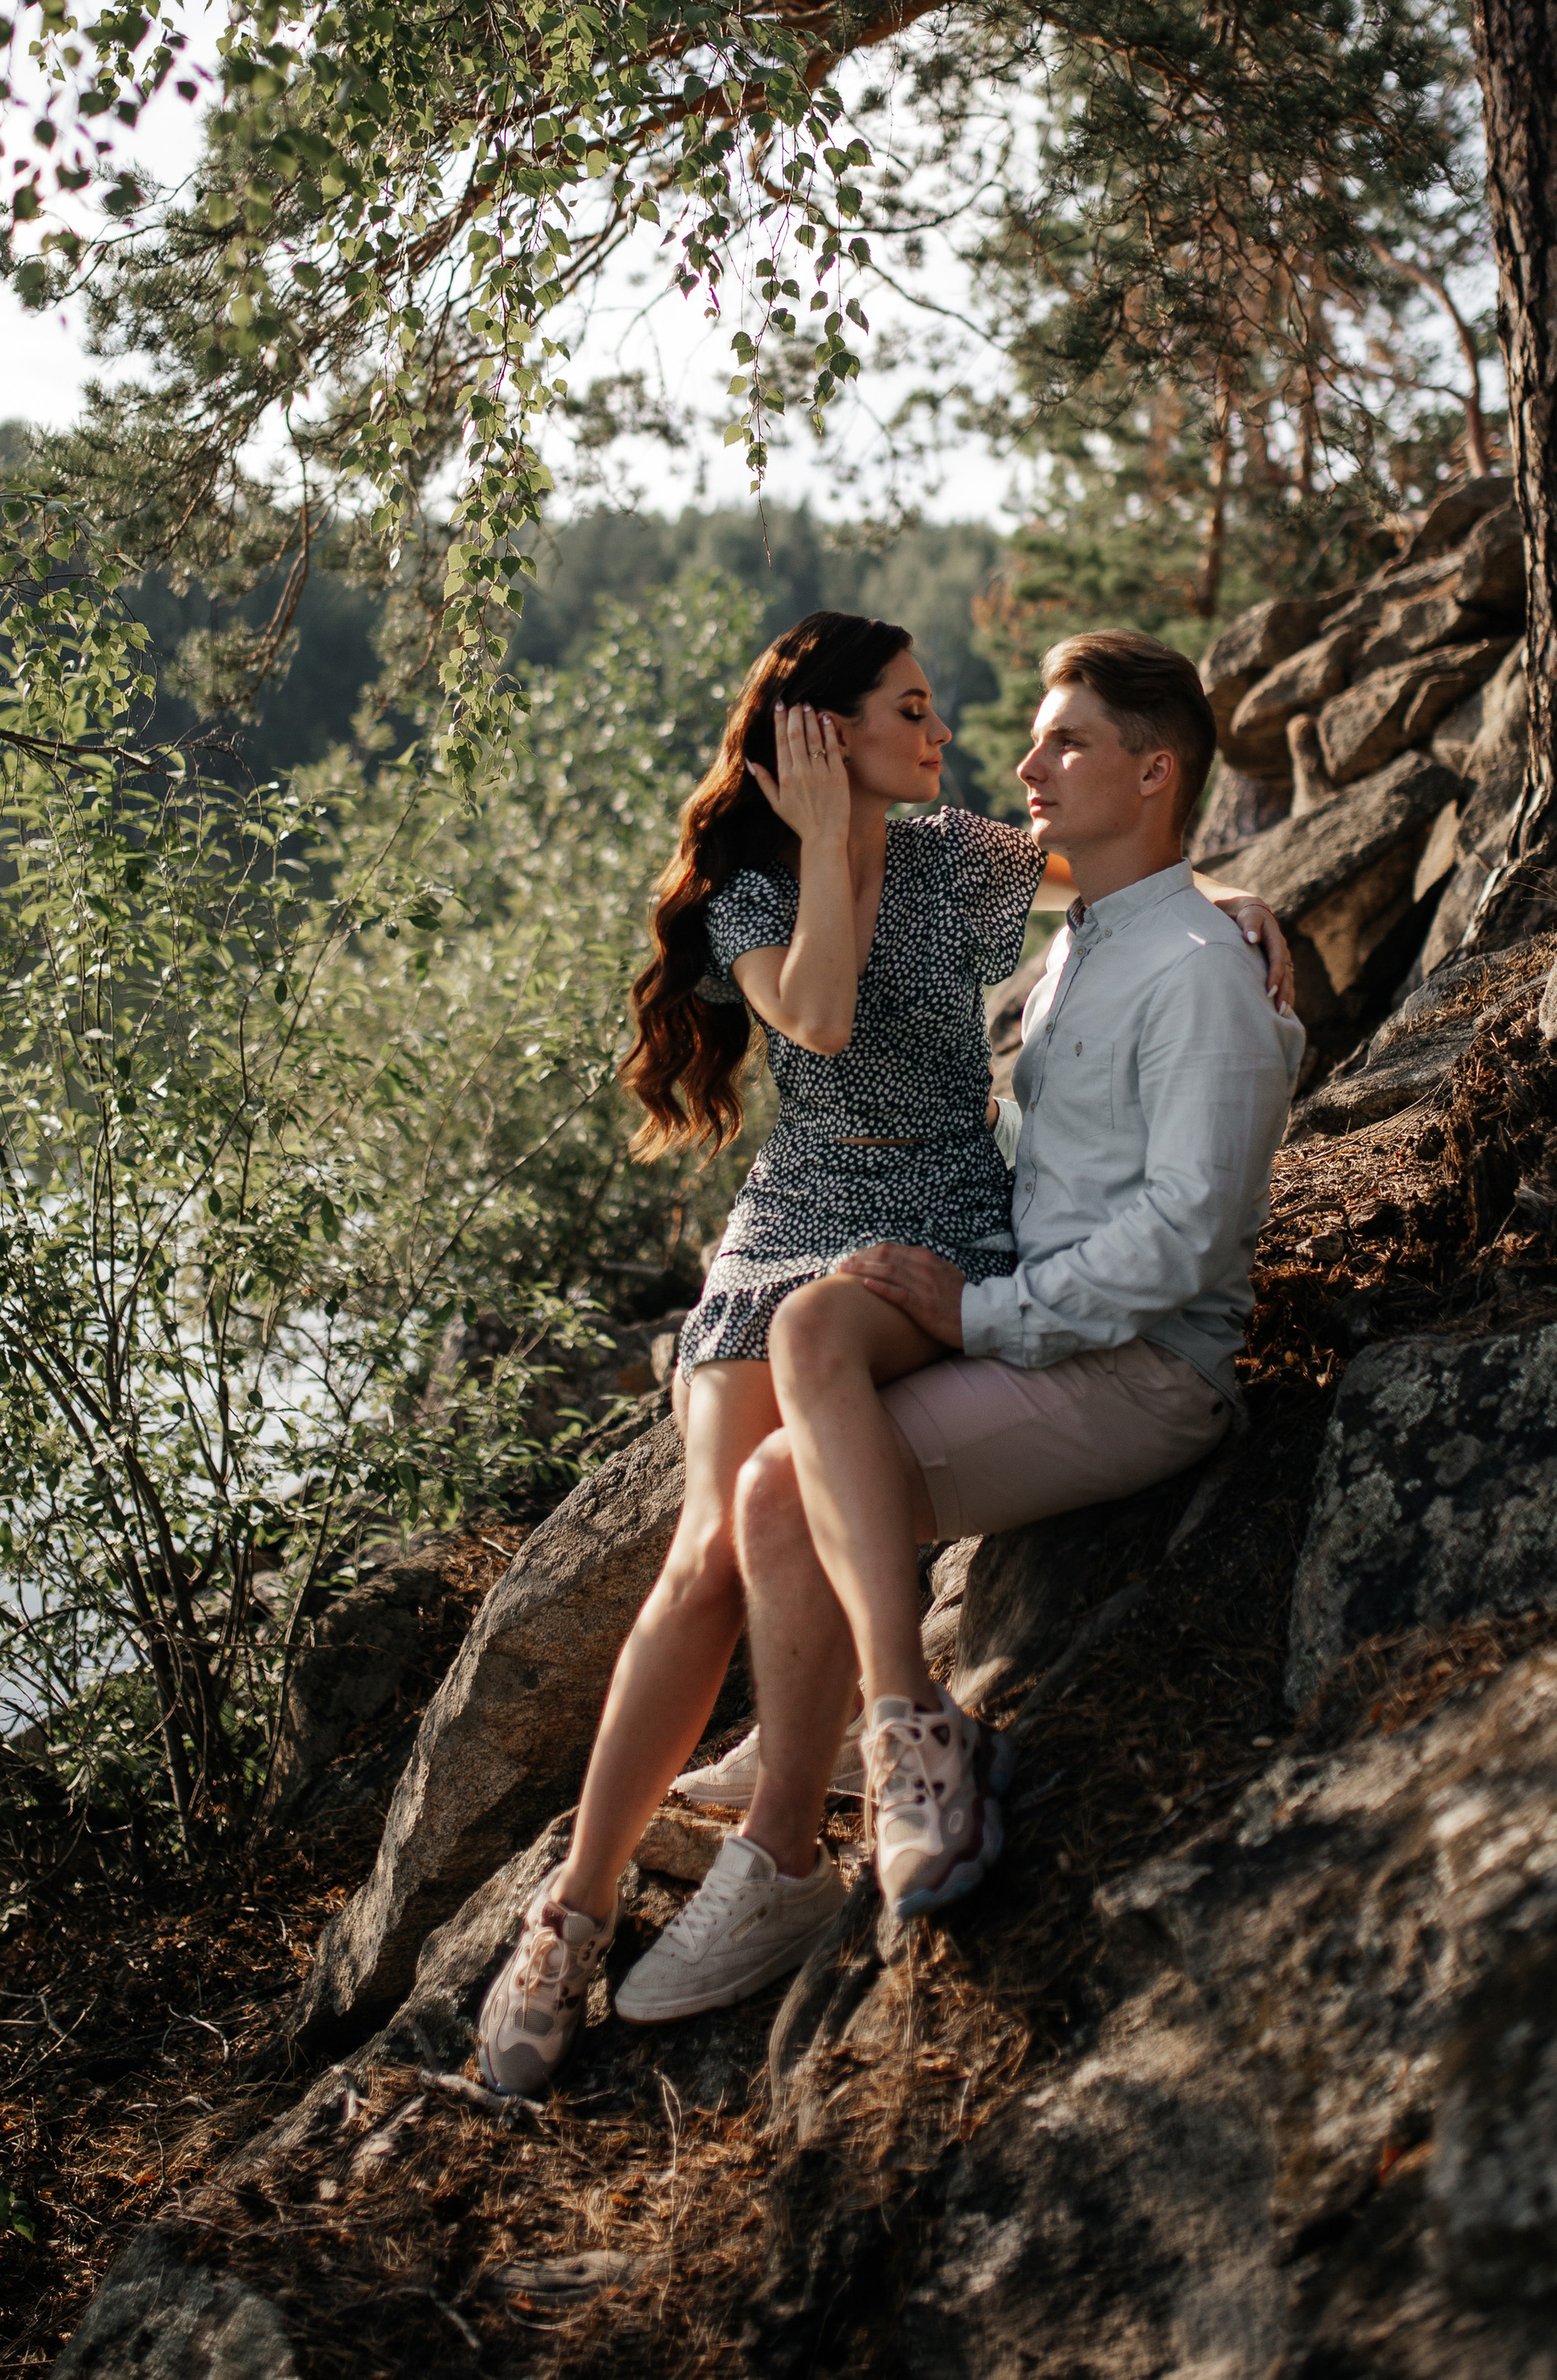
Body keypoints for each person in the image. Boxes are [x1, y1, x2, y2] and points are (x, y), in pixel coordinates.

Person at [475, 613, 1291, 2097]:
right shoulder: (749, 890)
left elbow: (1125, 879)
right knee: (708, 1550)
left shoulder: (965, 860)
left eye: (942, 710)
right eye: (912, 711)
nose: (949, 736)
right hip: (806, 1206)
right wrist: (823, 839)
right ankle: (569, 1915)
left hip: (948, 1219)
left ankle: (854, 1752)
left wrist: (1239, 902)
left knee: (799, 1449)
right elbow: (826, 1015)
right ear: (823, 731)